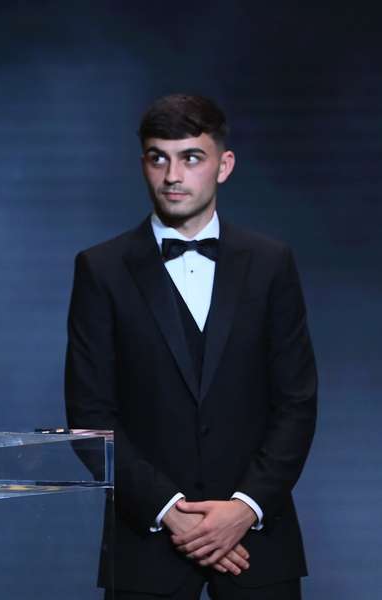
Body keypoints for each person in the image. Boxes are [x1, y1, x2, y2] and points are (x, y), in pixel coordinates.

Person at [64, 94, 316, 599]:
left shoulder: (271, 264)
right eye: (159, 157)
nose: (172, 175)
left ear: (224, 166)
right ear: (143, 165)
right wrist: (170, 512)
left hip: (257, 544)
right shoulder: (101, 268)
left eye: (190, 158)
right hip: (148, 544)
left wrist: (245, 507)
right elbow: (90, 412)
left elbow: (296, 402)